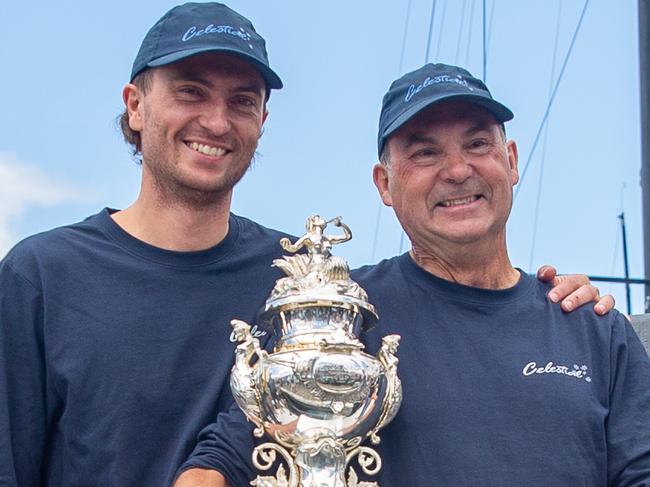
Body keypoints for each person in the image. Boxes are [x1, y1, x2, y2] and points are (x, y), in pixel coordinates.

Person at [0, 2, 611, 484]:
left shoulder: (317, 279)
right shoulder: (43, 275)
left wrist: (550, 308)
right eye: (190, 91)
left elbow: (457, 308)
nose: (216, 121)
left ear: (262, 121)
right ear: (135, 106)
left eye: (242, 101)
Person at [174, 64, 650, 486]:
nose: (458, 170)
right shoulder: (340, 316)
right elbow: (221, 461)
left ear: (512, 161)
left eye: (478, 143)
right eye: (425, 153)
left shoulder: (594, 327)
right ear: (385, 184)